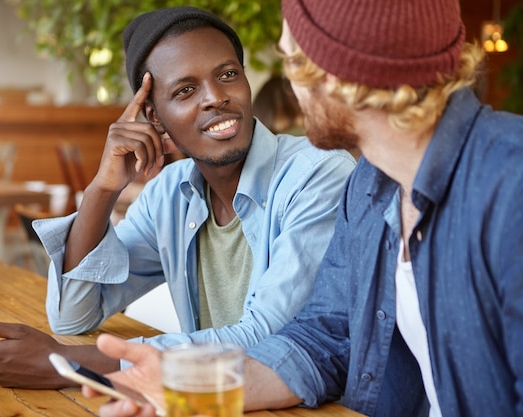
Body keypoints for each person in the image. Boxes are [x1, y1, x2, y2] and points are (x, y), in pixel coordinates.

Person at [84, 0, 523, 416]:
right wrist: (189, 390)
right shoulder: (370, 186)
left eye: (293, 60)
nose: (291, 86)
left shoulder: (510, 188)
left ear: (337, 72)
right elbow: (323, 340)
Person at [0, 6, 355, 389]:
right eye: (185, 90)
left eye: (228, 74)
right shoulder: (170, 193)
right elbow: (73, 316)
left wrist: (69, 365)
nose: (215, 97)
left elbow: (269, 338)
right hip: (209, 399)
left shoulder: (317, 174)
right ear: (154, 118)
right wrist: (103, 188)